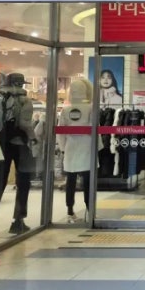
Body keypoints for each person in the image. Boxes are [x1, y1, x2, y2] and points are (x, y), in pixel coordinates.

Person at [0, 72, 36, 235]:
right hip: (19, 145)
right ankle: (18, 221)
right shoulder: (24, 100)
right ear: (20, 84)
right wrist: (33, 138)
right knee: (23, 182)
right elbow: (25, 124)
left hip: (0, 143)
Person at [57, 78, 96, 223]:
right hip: (87, 146)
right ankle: (89, 210)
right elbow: (94, 128)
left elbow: (60, 132)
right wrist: (98, 148)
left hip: (71, 147)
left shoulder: (66, 109)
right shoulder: (91, 108)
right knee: (87, 181)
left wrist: (62, 148)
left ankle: (70, 211)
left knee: (71, 180)